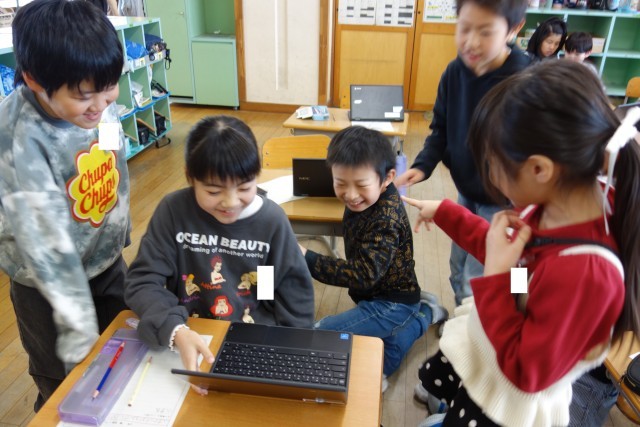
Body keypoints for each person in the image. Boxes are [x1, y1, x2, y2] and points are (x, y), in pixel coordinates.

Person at [403, 60, 639, 427]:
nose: (489, 176)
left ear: (540, 169)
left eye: (492, 165)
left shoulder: (588, 274)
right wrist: (449, 214)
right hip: (494, 350)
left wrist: (497, 276)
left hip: (507, 404)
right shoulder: (555, 203)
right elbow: (517, 263)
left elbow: (526, 373)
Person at [0, 0, 131, 412]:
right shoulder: (19, 139)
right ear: (35, 80)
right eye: (84, 95)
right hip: (45, 285)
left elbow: (112, 156)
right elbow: (48, 253)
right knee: (64, 384)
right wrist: (78, 338)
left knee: (123, 352)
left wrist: (119, 235)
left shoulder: (96, 101)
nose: (101, 104)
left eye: (109, 87)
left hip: (104, 258)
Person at [125, 115, 315, 389]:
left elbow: (286, 293)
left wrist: (289, 351)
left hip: (253, 340)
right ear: (190, 177)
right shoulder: (174, 212)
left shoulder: (270, 222)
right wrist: (175, 329)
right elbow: (144, 280)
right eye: (214, 191)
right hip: (188, 333)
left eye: (245, 188)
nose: (230, 202)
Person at [395, 0, 531, 309]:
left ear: (514, 29)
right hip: (467, 190)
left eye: (485, 32)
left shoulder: (525, 82)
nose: (471, 42)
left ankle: (478, 327)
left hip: (505, 200)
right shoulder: (455, 72)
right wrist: (423, 165)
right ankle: (462, 318)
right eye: (464, 28)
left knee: (478, 277)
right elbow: (440, 128)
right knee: (458, 266)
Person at [298, 126, 448, 391]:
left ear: (388, 178)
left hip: (392, 303)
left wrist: (306, 258)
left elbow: (363, 274)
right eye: (340, 183)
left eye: (361, 185)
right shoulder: (369, 194)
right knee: (382, 344)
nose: (350, 195)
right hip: (374, 294)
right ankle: (420, 313)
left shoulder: (385, 219)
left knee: (330, 339)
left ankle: (422, 314)